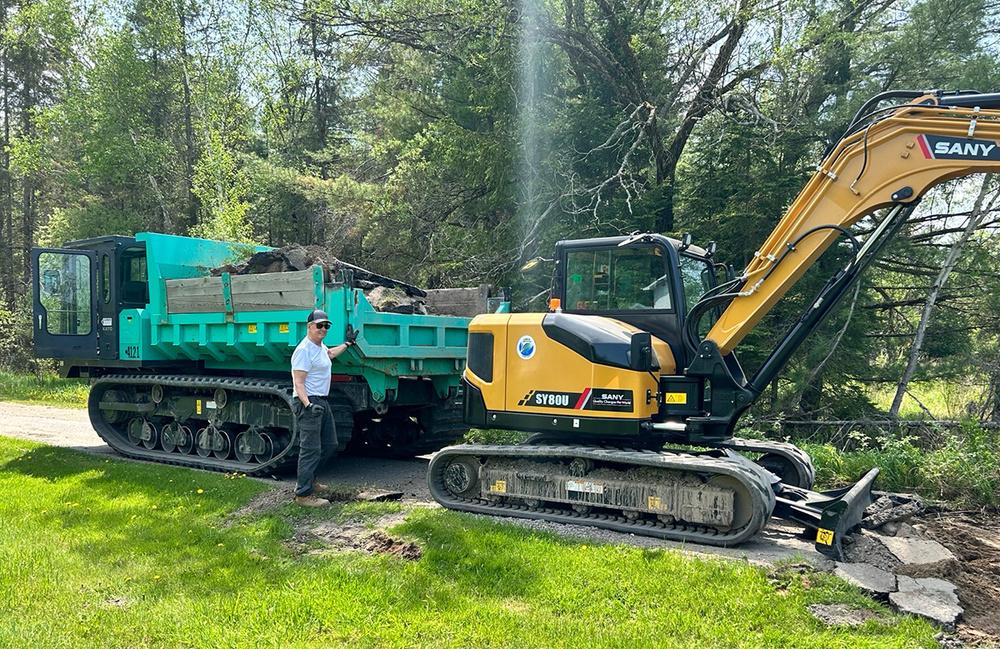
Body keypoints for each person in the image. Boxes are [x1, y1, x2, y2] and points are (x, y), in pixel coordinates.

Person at [290, 309, 355, 507]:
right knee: (310, 449)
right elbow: (298, 383)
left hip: (321, 402)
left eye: (326, 326)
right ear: (309, 327)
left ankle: (310, 481)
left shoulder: (319, 347)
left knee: (330, 444)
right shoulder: (303, 350)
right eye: (319, 325)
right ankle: (303, 495)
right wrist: (308, 405)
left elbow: (329, 354)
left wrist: (347, 344)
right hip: (308, 402)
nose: (323, 329)